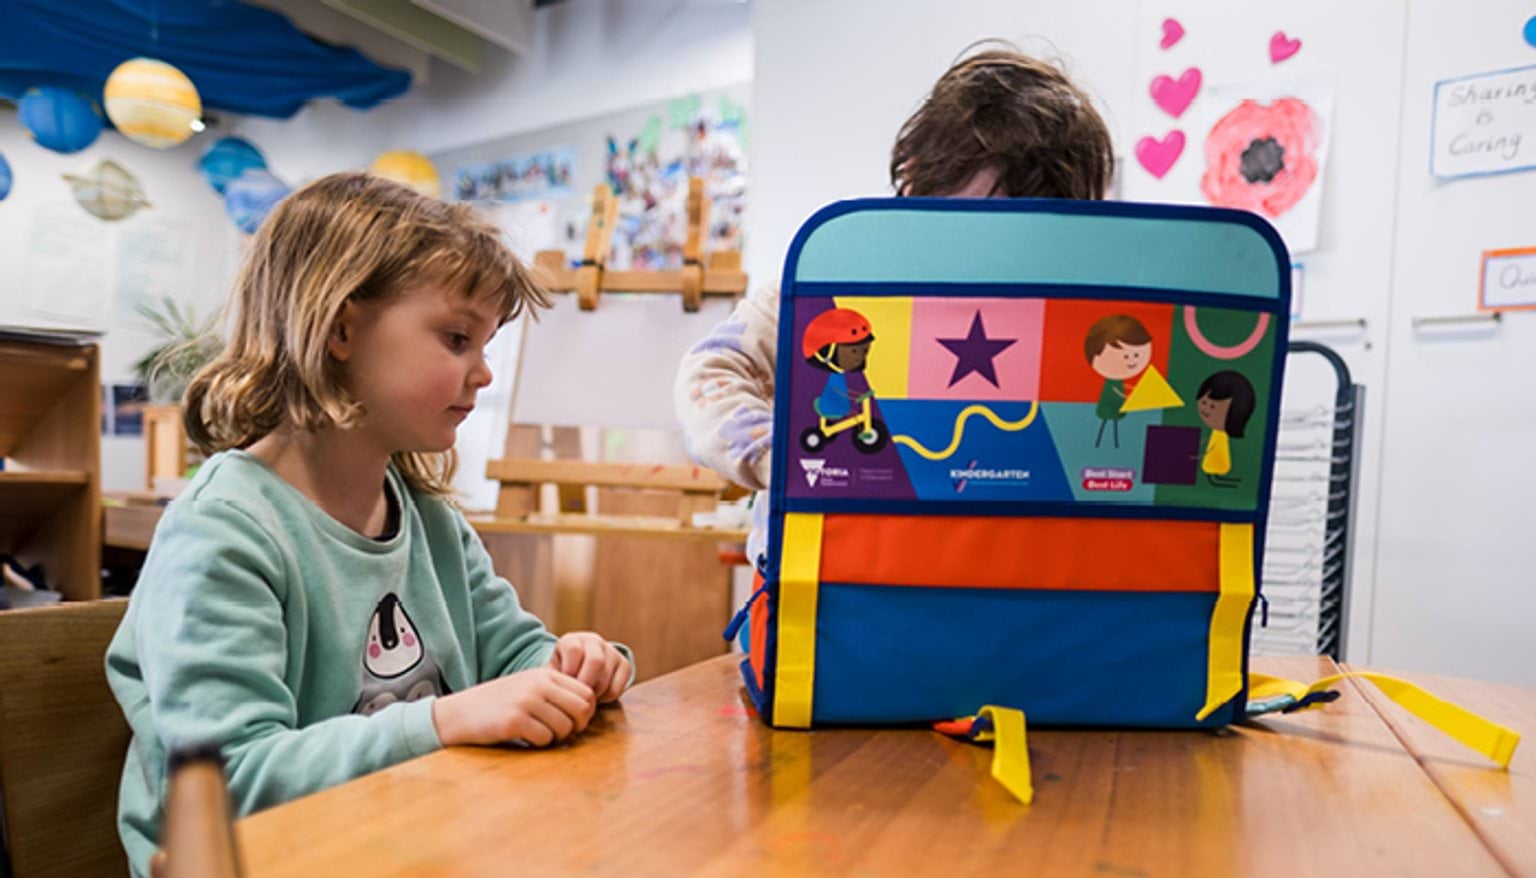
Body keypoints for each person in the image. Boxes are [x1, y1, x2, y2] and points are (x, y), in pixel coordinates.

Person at [106, 172, 633, 877]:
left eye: (485, 346)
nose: (482, 374)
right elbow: (229, 780)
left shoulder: (429, 518)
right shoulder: (223, 530)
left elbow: (512, 652)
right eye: (457, 338)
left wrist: (572, 665)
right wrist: (445, 720)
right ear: (341, 329)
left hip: (408, 841)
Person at [674, 41, 1115, 566]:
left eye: (1030, 238)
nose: (989, 257)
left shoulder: (1078, 310)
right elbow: (711, 369)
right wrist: (778, 457)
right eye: (966, 224)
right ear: (914, 179)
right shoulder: (838, 284)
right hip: (837, 577)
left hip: (1013, 577)